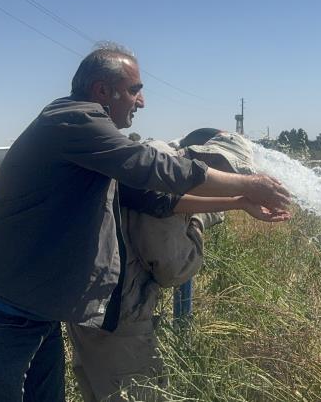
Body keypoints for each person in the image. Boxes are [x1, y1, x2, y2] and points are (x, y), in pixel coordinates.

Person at [0, 43, 290, 402]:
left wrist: (239, 202)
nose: (142, 101)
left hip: (34, 315)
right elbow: (154, 167)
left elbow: (151, 196)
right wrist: (246, 182)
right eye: (135, 90)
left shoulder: (90, 145)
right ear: (102, 91)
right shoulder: (72, 120)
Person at [66, 129, 260, 402]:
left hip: (89, 305)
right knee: (140, 393)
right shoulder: (168, 179)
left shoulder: (154, 160)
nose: (232, 183)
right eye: (232, 176)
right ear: (215, 164)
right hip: (121, 315)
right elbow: (172, 268)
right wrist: (200, 220)